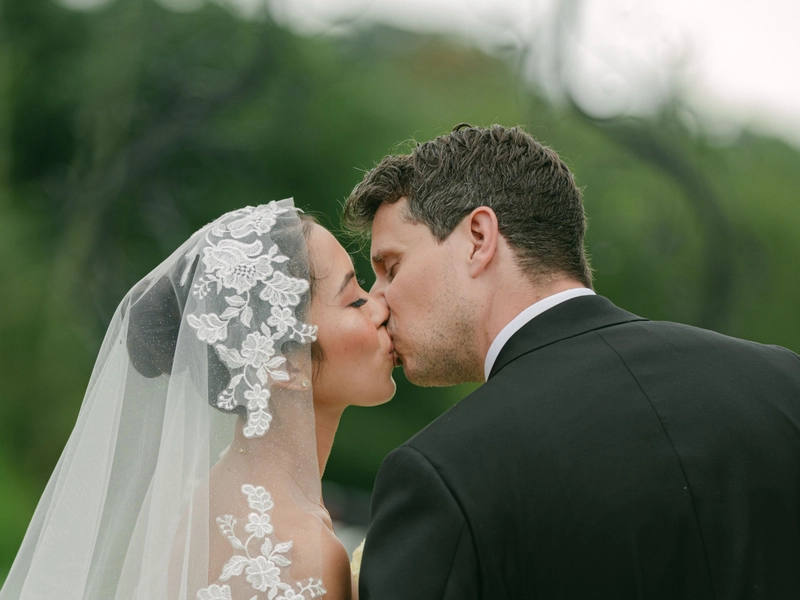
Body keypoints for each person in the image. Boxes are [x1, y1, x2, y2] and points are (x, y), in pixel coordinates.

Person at [343, 124, 800, 599]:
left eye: (391, 268)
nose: (378, 301)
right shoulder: (784, 384)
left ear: (479, 237)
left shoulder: (443, 470)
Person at [0, 199, 395, 600]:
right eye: (355, 300)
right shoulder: (301, 552)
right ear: (283, 365)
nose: (380, 306)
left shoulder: (199, 503)